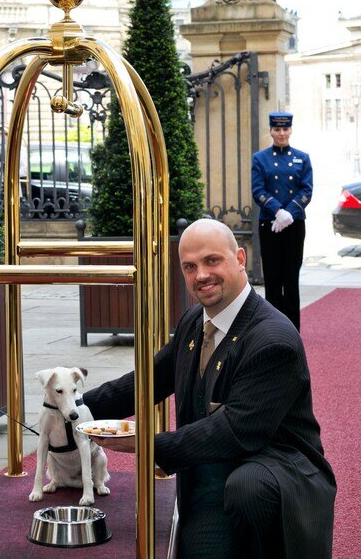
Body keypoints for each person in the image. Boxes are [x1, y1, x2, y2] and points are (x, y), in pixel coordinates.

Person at [85, 218, 335, 558]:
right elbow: (149, 380)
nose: (201, 275)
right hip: (210, 472)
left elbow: (233, 430)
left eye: (212, 261)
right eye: (190, 266)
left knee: (246, 489)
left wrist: (147, 444)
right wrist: (78, 408)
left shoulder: (273, 340)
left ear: (241, 259)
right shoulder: (194, 320)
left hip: (272, 476)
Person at [251, 111, 312, 331]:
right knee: (273, 278)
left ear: (291, 130)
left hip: (294, 225)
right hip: (271, 225)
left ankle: (293, 329)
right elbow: (258, 190)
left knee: (291, 278)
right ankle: (273, 329)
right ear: (270, 131)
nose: (281, 133)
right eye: (277, 129)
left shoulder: (302, 157)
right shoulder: (260, 158)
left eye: (285, 129)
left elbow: (307, 190)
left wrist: (289, 214)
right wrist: (277, 211)